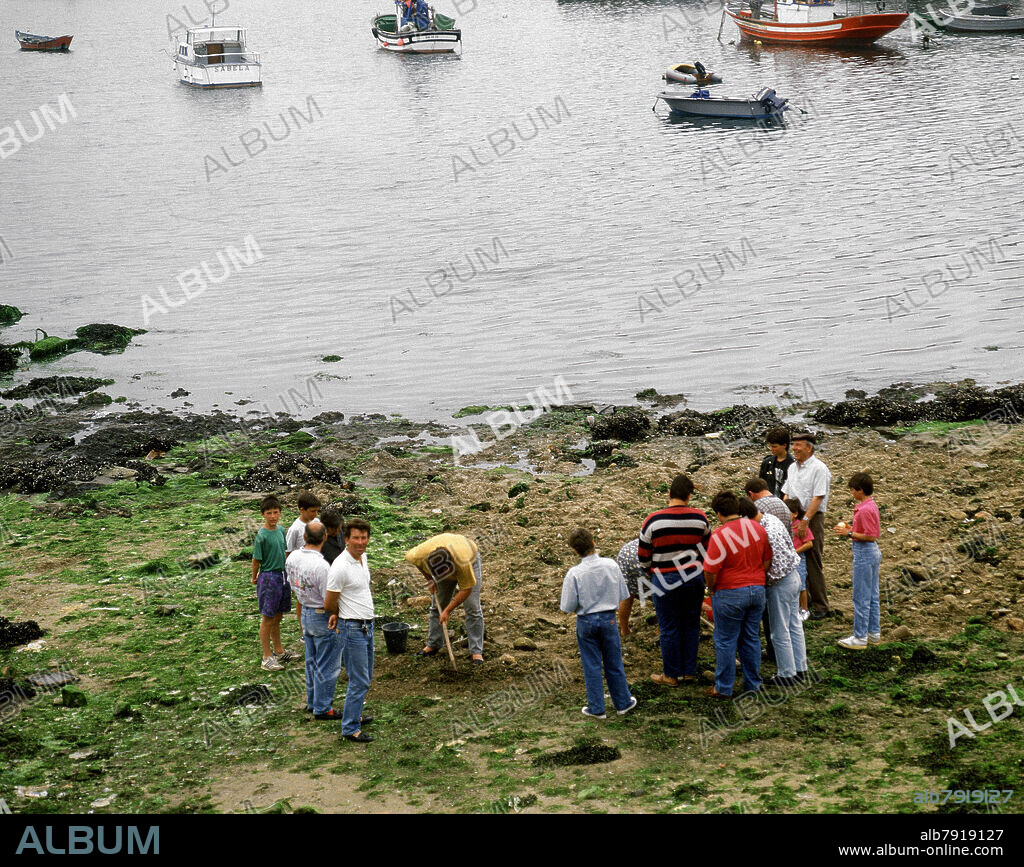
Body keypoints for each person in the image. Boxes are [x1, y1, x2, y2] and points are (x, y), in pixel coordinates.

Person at [637, 474, 711, 687]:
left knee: (668, 626)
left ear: (669, 493)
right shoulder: (700, 518)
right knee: (691, 624)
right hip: (693, 578)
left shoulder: (653, 520)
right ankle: (689, 671)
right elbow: (708, 551)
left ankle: (670, 674)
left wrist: (649, 572)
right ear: (689, 496)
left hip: (664, 577)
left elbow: (643, 555)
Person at [559, 528, 637, 719]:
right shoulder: (611, 565)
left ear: (575, 551)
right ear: (593, 543)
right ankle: (623, 702)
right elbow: (623, 594)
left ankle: (597, 708)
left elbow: (568, 606)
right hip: (609, 618)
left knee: (591, 664)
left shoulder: (574, 573)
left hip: (586, 621)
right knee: (614, 661)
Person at [702, 491, 772, 699]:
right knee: (751, 637)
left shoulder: (721, 535)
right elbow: (767, 559)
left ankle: (723, 687)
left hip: (730, 591)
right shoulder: (757, 528)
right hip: (757, 589)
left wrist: (712, 588)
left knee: (725, 639)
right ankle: (753, 683)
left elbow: (710, 569)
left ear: (718, 513)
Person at [738, 498, 806, 685]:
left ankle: (786, 674)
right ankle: (800, 669)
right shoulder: (771, 519)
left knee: (779, 631)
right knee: (794, 625)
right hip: (794, 577)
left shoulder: (765, 531)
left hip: (780, 583)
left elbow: (772, 567)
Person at [325, 518, 376, 742]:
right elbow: (329, 602)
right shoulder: (340, 566)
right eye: (356, 538)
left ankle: (353, 714)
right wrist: (338, 613)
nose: (360, 542)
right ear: (346, 539)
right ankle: (350, 727)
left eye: (364, 538)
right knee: (359, 679)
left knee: (365, 676)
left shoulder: (363, 558)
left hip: (367, 625)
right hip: (352, 627)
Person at [286, 521, 342, 719]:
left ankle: (312, 701)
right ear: (325, 538)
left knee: (311, 662)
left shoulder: (293, 557)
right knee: (328, 664)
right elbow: (329, 600)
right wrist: (337, 612)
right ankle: (323, 707)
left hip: (305, 612)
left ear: (304, 537)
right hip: (321, 615)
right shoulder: (322, 566)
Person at [405, 533, 485, 663]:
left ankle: (476, 651)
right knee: (438, 606)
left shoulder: (463, 562)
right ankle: (434, 644)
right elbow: (418, 563)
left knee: (472, 607)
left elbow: (466, 590)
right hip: (444, 560)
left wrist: (448, 611)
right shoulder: (419, 555)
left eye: (447, 574)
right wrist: (430, 579)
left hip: (469, 556)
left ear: (451, 566)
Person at [782, 433, 832, 619]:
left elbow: (818, 497)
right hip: (795, 514)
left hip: (812, 516)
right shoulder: (793, 467)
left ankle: (821, 605)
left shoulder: (819, 468)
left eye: (798, 445)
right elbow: (787, 493)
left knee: (813, 559)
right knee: (796, 556)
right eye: (793, 445)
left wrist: (805, 520)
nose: (794, 448)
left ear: (809, 447)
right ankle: (806, 600)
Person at [744, 476, 792, 661]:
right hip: (787, 567)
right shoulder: (782, 504)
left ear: (751, 494)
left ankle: (774, 655)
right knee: (785, 619)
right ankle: (778, 652)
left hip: (769, 569)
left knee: (768, 615)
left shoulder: (759, 510)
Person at [834, 473, 883, 650]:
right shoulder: (870, 505)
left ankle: (860, 636)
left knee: (861, 596)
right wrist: (852, 528)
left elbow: (870, 536)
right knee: (872, 595)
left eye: (853, 490)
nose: (851, 493)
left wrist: (848, 533)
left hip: (865, 553)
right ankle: (873, 632)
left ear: (860, 490)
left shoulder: (864, 510)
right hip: (872, 553)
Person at [251, 495, 292, 671]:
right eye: (269, 513)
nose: (273, 516)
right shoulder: (261, 536)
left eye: (276, 512)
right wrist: (254, 577)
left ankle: (279, 650)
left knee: (278, 615)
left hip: (282, 576)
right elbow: (256, 560)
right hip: (268, 577)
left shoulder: (282, 531)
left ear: (280, 513)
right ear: (263, 515)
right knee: (267, 617)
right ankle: (266, 657)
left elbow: (286, 552)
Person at [787, 498, 813, 620]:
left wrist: (795, 551)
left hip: (799, 558)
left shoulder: (800, 526)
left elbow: (809, 543)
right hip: (788, 558)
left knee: (801, 584)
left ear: (795, 513)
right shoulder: (785, 526)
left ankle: (804, 609)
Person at [615, 538, 643, 638]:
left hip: (627, 552)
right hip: (650, 556)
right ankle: (661, 632)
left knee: (626, 595)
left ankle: (624, 630)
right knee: (665, 598)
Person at [759, 427, 795, 498]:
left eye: (774, 446)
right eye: (770, 446)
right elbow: (761, 484)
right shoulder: (767, 463)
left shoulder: (793, 465)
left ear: (784, 445)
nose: (771, 449)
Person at [286, 492, 321, 558]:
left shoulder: (317, 522)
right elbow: (288, 551)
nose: (316, 514)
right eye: (313, 511)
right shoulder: (295, 529)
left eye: (317, 511)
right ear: (302, 510)